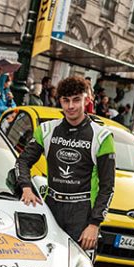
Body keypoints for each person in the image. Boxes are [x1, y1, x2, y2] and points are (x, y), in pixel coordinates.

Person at [16, 76, 116, 253]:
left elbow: (107, 186)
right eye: (66, 100)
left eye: (76, 100)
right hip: (51, 208)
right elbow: (23, 161)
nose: (71, 106)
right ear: (59, 101)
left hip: (83, 214)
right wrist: (26, 187)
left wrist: (94, 224)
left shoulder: (102, 136)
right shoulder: (46, 130)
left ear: (87, 99)